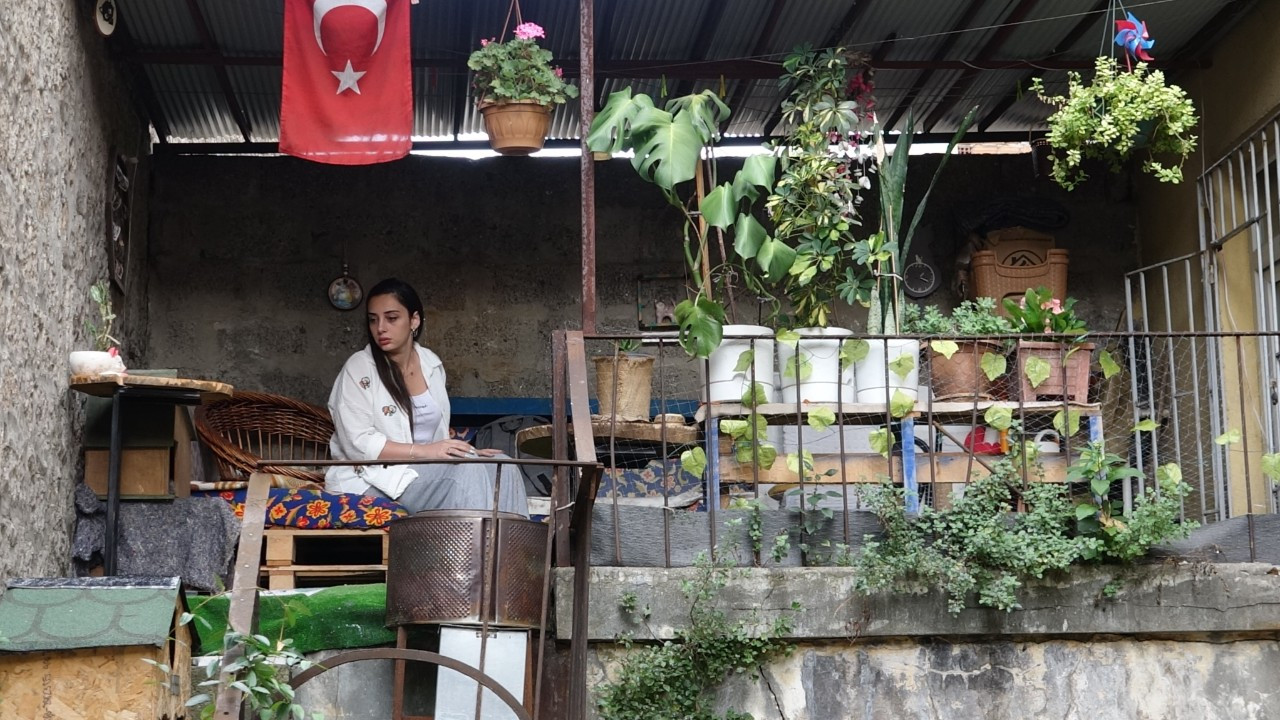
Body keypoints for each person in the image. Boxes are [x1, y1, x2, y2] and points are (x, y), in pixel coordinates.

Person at [325, 278, 528, 516]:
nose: (380, 328)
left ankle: (510, 552)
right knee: (466, 472)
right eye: (373, 319)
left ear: (414, 320)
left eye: (391, 318)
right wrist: (429, 452)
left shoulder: (431, 364)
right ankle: (468, 553)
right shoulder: (359, 367)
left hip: (423, 471)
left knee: (503, 466)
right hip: (374, 478)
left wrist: (468, 454)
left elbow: (437, 437)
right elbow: (358, 444)